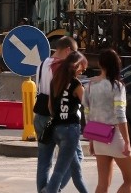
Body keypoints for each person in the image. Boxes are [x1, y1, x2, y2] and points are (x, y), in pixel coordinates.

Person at [83, 48, 131, 193]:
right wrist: (127, 141)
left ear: (100, 64)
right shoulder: (117, 86)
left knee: (103, 184)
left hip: (99, 137)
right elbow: (120, 114)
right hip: (115, 137)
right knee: (130, 179)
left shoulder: (90, 85)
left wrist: (92, 140)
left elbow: (87, 113)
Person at [35, 36, 79, 193]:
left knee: (44, 161)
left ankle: (43, 190)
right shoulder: (61, 67)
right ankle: (53, 189)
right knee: (74, 160)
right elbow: (62, 94)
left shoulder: (42, 64)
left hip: (39, 116)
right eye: (75, 54)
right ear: (68, 50)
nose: (76, 58)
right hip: (57, 118)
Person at [44, 50, 89, 193]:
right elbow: (87, 104)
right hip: (71, 130)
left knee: (76, 172)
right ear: (76, 66)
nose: (83, 71)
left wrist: (59, 116)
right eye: (82, 67)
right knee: (59, 172)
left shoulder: (55, 80)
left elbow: (50, 107)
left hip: (57, 129)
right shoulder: (76, 84)